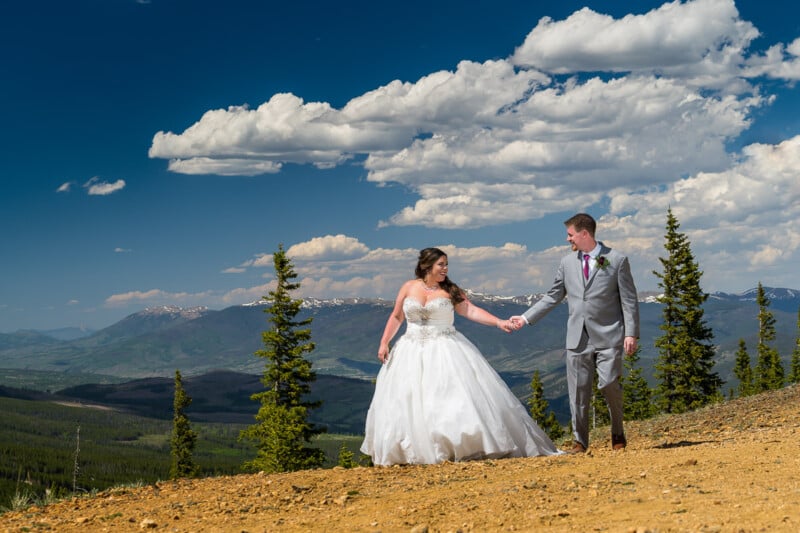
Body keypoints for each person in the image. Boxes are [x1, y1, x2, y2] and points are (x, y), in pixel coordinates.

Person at [360, 247, 561, 466]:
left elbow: (471, 311)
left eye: (447, 264)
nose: (445, 269)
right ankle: (413, 450)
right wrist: (384, 341)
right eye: (441, 265)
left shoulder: (451, 290)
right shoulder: (408, 287)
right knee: (408, 400)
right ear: (427, 265)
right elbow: (397, 316)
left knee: (447, 399)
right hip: (409, 349)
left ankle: (455, 446)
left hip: (445, 349)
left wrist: (498, 322)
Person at [511, 213, 639, 454]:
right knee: (578, 392)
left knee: (609, 384)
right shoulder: (566, 263)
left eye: (570, 234)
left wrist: (631, 333)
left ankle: (618, 432)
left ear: (584, 234)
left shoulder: (617, 260)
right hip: (576, 337)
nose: (567, 238)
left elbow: (629, 301)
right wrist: (526, 317)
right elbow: (553, 296)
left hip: (609, 335)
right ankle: (580, 442)